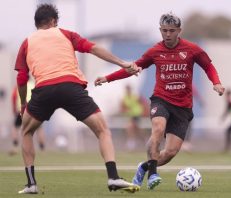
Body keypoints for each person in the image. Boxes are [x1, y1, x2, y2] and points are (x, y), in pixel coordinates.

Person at [14, 4, 140, 194]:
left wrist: (23, 103)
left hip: (44, 90)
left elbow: (22, 79)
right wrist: (123, 63)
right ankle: (113, 177)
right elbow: (94, 48)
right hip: (70, 87)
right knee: (102, 130)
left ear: (37, 24)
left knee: (25, 132)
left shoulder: (27, 42)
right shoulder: (65, 34)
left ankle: (31, 184)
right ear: (54, 22)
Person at [95, 12, 225, 190]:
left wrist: (216, 83)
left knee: (170, 152)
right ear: (160, 30)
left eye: (172, 30)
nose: (168, 34)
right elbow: (132, 68)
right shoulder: (155, 51)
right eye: (164, 30)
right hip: (161, 99)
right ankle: (153, 174)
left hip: (183, 107)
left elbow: (208, 66)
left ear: (179, 30)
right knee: (158, 128)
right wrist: (107, 78)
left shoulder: (192, 49)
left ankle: (144, 167)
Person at [9, 82, 45, 155]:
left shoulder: (18, 86)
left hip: (21, 110)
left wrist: (14, 110)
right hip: (34, 110)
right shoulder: (34, 85)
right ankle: (42, 148)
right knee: (39, 129)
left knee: (16, 128)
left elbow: (13, 98)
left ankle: (15, 146)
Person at [120, 85, 148, 151]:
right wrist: (125, 111)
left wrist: (145, 111)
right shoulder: (125, 98)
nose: (128, 90)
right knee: (137, 130)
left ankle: (131, 143)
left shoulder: (135, 96)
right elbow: (122, 107)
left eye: (128, 89)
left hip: (137, 114)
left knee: (130, 127)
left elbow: (144, 103)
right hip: (131, 115)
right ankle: (145, 141)